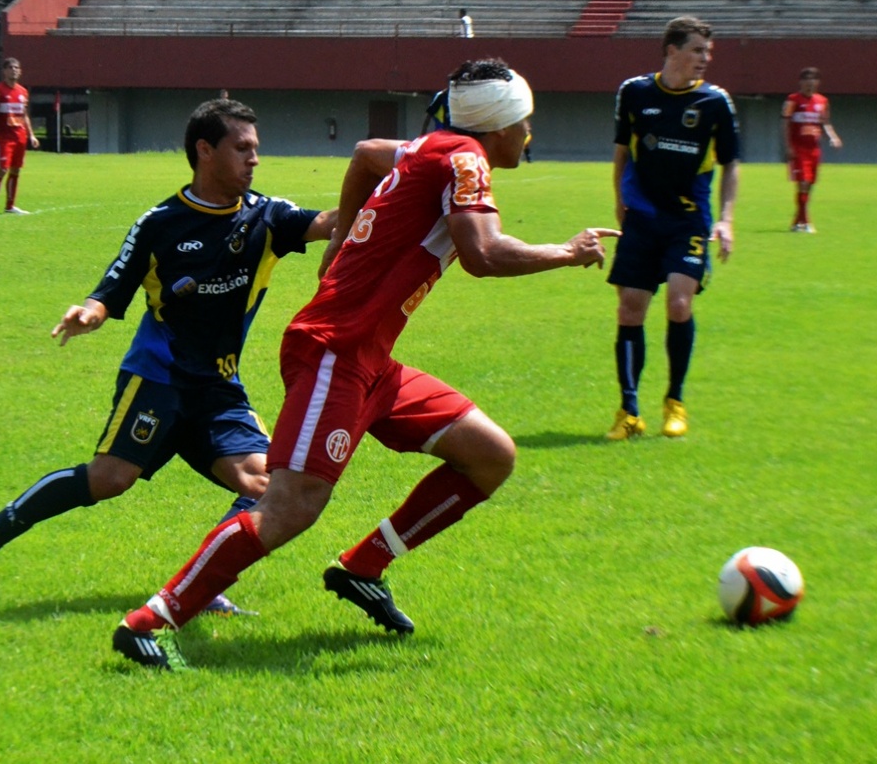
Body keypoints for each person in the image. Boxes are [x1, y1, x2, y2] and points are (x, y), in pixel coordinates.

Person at [111, 58, 618, 670]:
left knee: (490, 455)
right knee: (290, 505)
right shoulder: (465, 159)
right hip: (336, 351)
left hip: (369, 357)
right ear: (499, 124)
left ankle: (363, 566)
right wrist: (566, 252)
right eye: (525, 122)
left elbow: (366, 152)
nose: (529, 135)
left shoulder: (435, 146)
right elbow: (481, 253)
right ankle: (148, 622)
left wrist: (343, 233)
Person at [0, 98, 337, 617]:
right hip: (159, 377)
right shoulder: (159, 224)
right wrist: (89, 313)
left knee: (268, 486)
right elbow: (111, 290)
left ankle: (196, 583)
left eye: (255, 150)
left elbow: (328, 221)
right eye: (242, 149)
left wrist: (388, 185)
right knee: (110, 479)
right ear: (205, 151)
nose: (254, 159)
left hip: (217, 386)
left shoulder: (267, 216)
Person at [605, 15, 740, 441]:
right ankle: (629, 410)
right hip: (642, 217)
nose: (705, 59)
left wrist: (727, 218)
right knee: (630, 307)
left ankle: (674, 401)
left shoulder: (716, 103)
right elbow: (622, 153)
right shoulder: (634, 92)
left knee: (679, 303)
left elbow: (731, 164)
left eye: (708, 52)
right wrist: (619, 201)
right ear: (672, 51)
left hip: (688, 221)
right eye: (698, 50)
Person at [783, 67, 842, 233]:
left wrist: (833, 137)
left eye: (813, 81)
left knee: (808, 185)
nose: (810, 85)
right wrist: (787, 146)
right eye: (807, 81)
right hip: (798, 149)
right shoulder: (792, 100)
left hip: (814, 150)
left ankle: (798, 222)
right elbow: (785, 123)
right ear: (801, 82)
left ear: (817, 83)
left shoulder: (822, 101)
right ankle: (805, 222)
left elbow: (825, 123)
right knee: (802, 183)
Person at [0, 57, 40, 215]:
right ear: (4, 71)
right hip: (5, 137)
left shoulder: (23, 92)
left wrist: (32, 135)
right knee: (2, 169)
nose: (13, 70)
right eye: (10, 67)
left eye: (16, 67)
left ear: (20, 71)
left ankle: (10, 205)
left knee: (16, 171)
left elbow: (24, 115)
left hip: (20, 136)